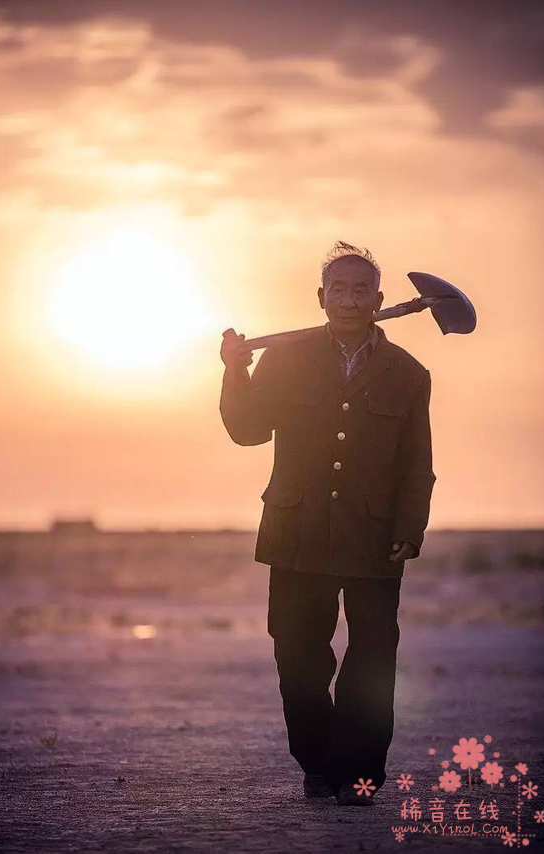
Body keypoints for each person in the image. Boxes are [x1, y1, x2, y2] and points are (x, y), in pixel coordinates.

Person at [219, 240, 436, 807]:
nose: (348, 299)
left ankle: (359, 779)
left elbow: (418, 464)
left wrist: (410, 530)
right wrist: (235, 373)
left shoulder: (408, 375)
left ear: (379, 299)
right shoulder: (285, 359)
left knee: (372, 665)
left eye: (360, 289)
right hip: (297, 533)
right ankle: (318, 766)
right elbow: (246, 430)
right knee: (297, 659)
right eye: (337, 289)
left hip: (375, 538)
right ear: (321, 298)